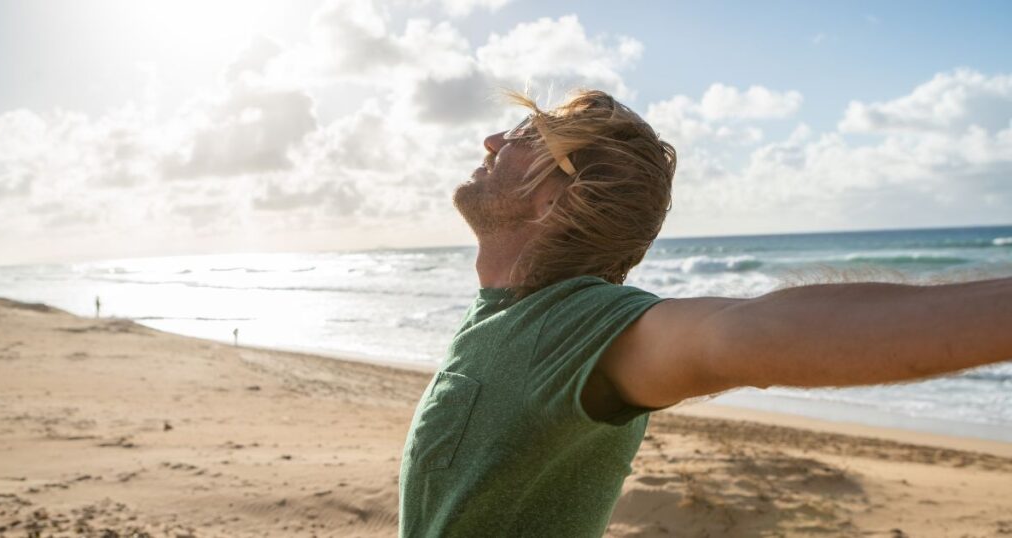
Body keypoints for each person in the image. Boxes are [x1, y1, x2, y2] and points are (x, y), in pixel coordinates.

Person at [397, 88, 1012, 537]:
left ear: (557, 195)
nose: (494, 141)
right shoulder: (506, 313)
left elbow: (745, 334)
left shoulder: (575, 327)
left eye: (528, 136)